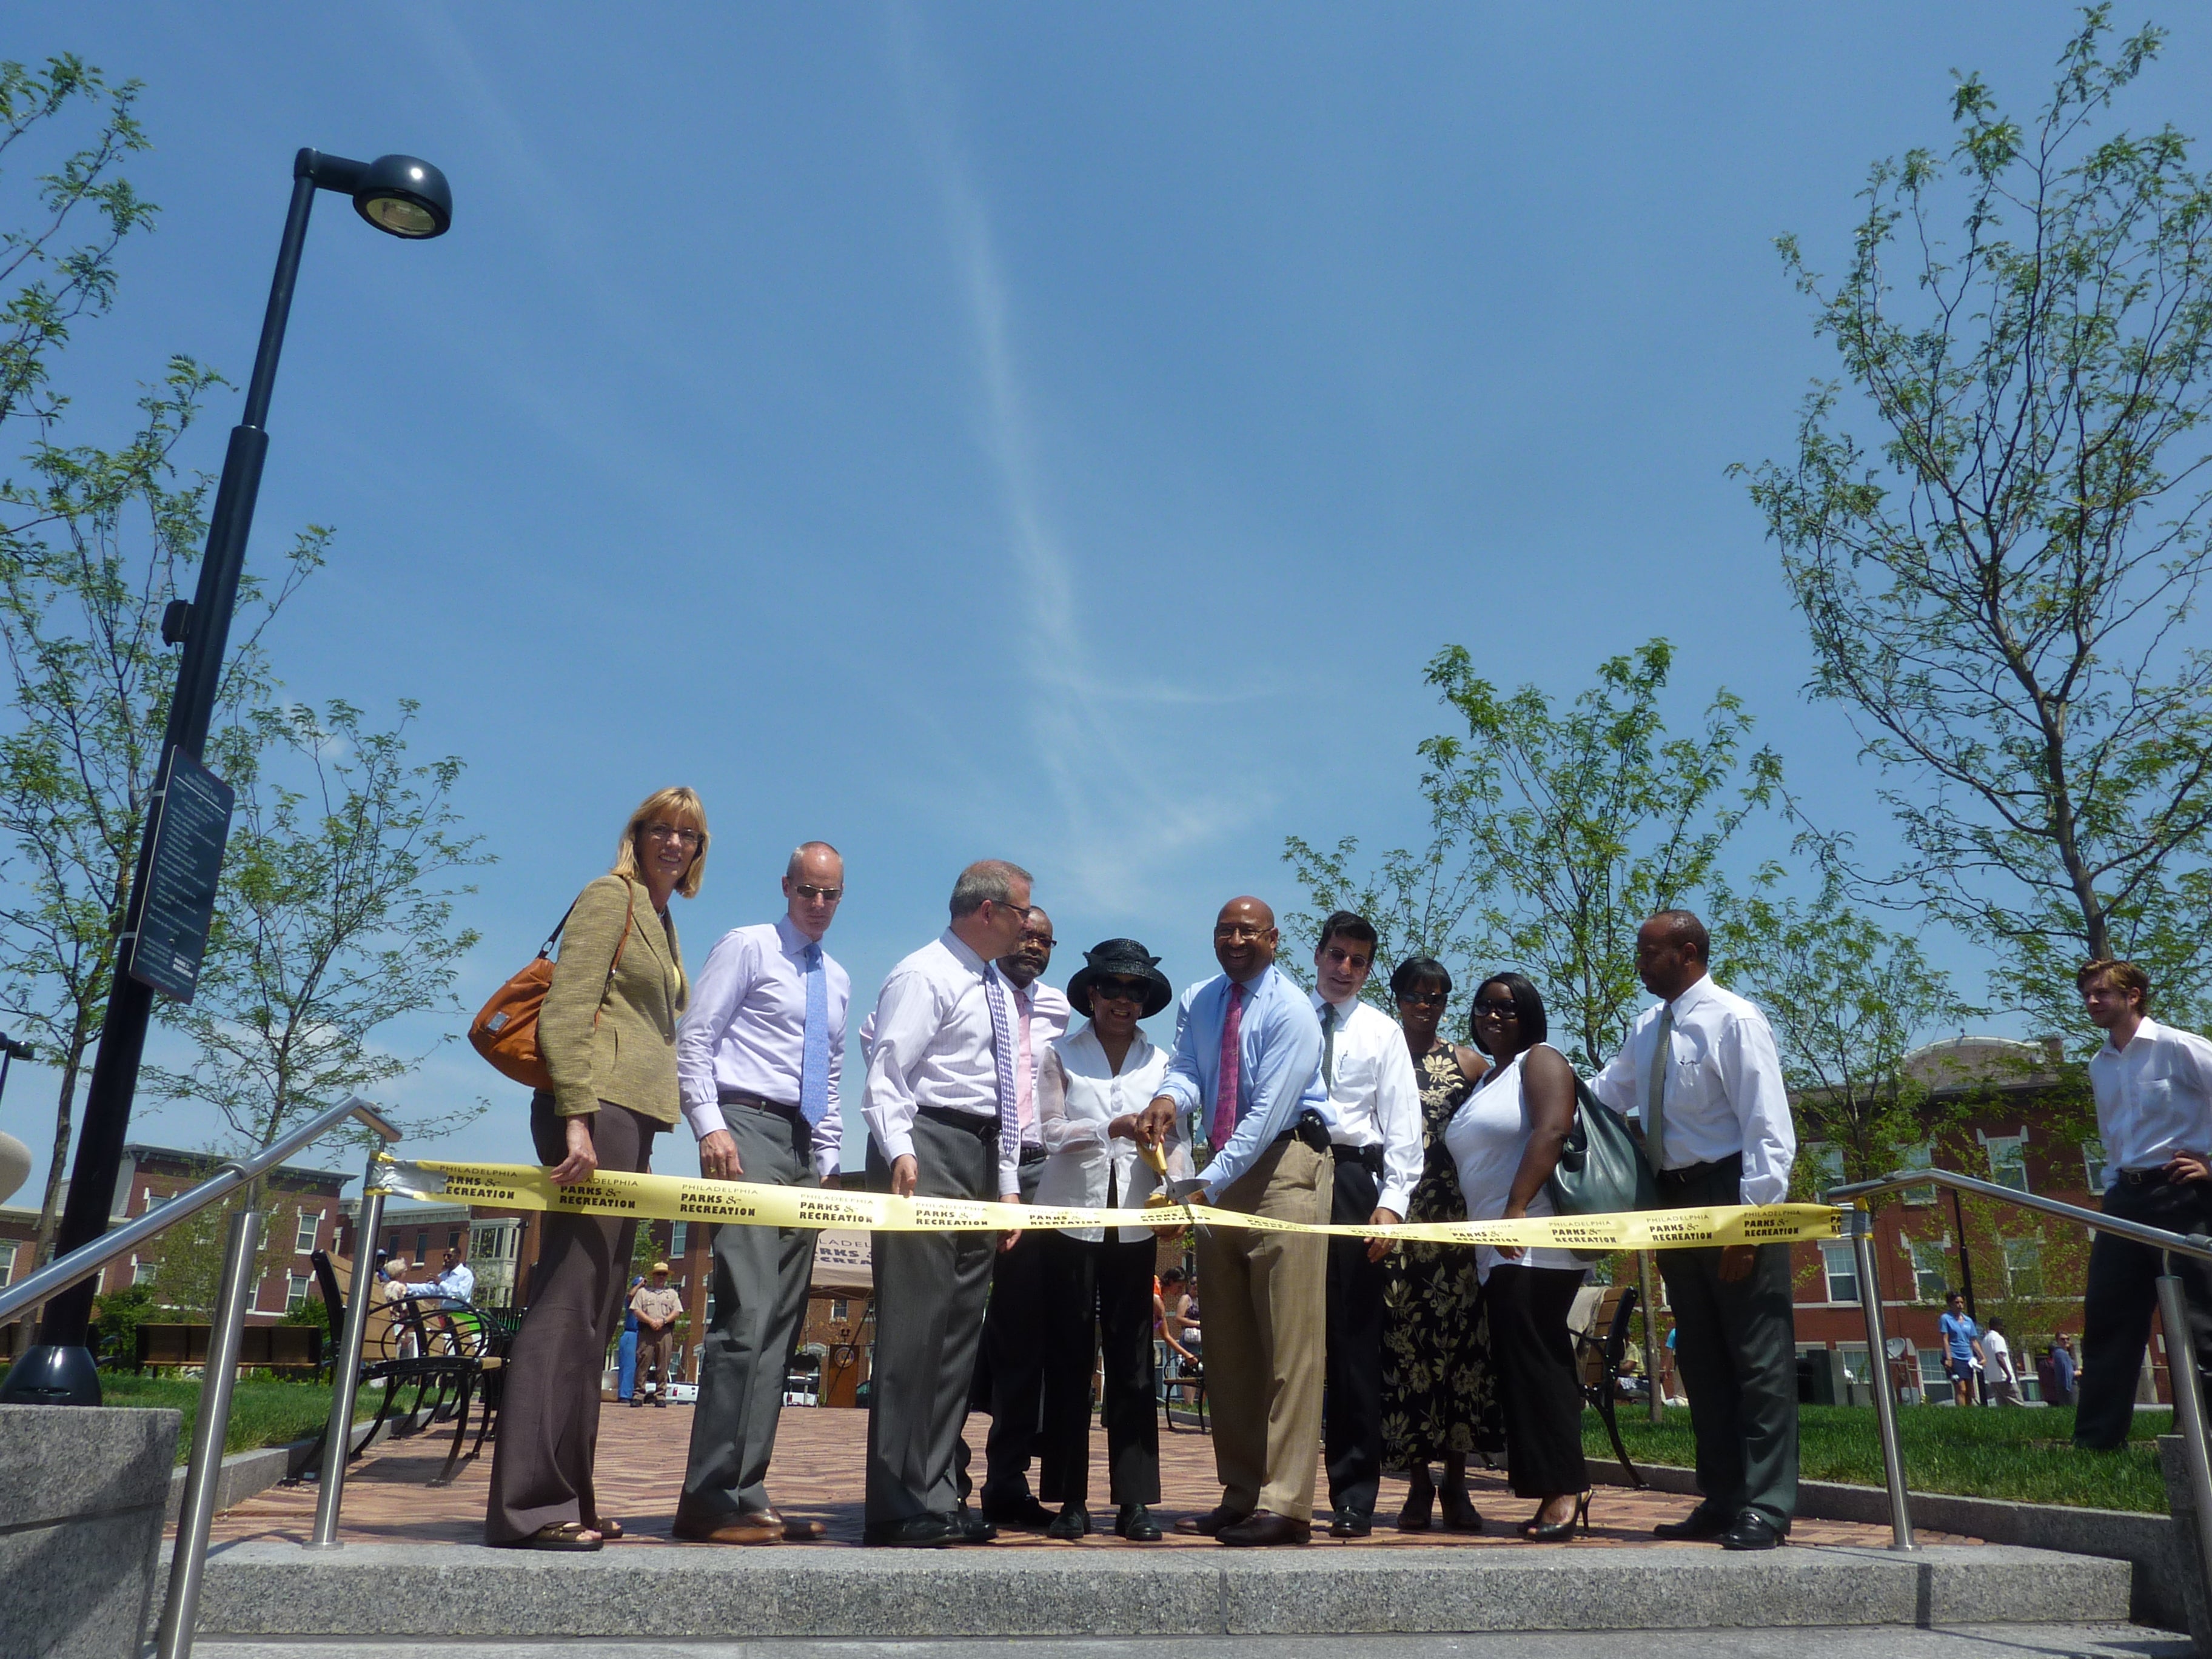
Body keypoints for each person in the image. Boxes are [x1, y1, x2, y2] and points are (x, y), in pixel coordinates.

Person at [485, 787, 702, 1550]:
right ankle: (527, 1509)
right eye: (661, 830)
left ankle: (569, 1498)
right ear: (635, 835)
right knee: (568, 1304)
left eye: (689, 835)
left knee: (601, 1313)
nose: (674, 843)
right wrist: (575, 1116)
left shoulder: (663, 917)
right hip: (594, 1111)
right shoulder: (609, 896)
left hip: (631, 1119)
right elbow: (566, 1009)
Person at [1592, 909, 1797, 1552]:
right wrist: (1531, 1093)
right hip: (1673, 1200)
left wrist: (1750, 1223)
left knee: (1758, 1361)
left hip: (1730, 1194)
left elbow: (1767, 1127)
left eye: (1648, 952)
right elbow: (1605, 1093)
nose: (1638, 964)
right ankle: (1722, 1497)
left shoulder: (1734, 1020)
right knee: (1702, 1359)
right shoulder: (1648, 1028)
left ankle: (1768, 1505)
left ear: (1687, 952)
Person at [670, 842, 851, 1544]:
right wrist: (709, 1126)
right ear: (786, 887)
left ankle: (747, 1490)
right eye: (807, 892)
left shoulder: (835, 976)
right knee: (745, 1316)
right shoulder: (748, 946)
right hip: (744, 1129)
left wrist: (829, 1157)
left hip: (805, 1146)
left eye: (831, 895)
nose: (818, 905)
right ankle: (707, 1495)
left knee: (781, 1324)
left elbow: (832, 1072)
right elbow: (697, 1037)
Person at [1138, 895, 1332, 1548]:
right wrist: (1168, 1098)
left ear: (1274, 939)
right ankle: (1241, 1493)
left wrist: (1203, 1184)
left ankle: (1288, 1505)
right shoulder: (1201, 998)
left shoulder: (1293, 1010)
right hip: (1220, 1174)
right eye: (1225, 929)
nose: (1236, 939)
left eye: (1249, 930)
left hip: (1284, 1169)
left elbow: (1267, 1115)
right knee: (1229, 1346)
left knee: (1289, 1347)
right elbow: (1191, 1070)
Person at [859, 859, 1036, 1548]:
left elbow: (1005, 1090)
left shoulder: (991, 984)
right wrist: (900, 1146)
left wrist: (1009, 1185)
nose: (1029, 925)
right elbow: (889, 1069)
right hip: (926, 1146)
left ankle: (936, 1489)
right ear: (987, 911)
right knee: (915, 1332)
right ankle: (896, 1501)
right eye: (1022, 912)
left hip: (980, 1154)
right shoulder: (925, 972)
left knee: (959, 1335)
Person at [1033, 937, 1184, 1541]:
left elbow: (1176, 1140)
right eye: (1112, 988)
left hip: (1134, 1221)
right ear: (1091, 994)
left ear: (1146, 1000)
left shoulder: (1165, 1064)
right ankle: (1070, 1497)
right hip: (1070, 1218)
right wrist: (1107, 1127)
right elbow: (1047, 1132)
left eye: (1135, 990)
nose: (1123, 1000)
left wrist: (1178, 1195)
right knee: (1070, 1358)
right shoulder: (1061, 1054)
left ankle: (1135, 1499)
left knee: (1133, 1361)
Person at [1453, 973, 1590, 1540]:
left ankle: (1565, 1491)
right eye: (1484, 1006)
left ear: (1529, 1014)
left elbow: (1553, 1128)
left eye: (1508, 1007)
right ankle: (1551, 1487)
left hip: (1534, 1239)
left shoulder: (1542, 1059)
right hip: (1499, 1250)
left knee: (1539, 1362)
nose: (1494, 1015)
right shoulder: (1493, 1076)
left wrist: (1515, 1206)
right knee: (1523, 1365)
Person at [1307, 913, 1423, 1538]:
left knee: (1354, 1347)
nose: (1344, 968)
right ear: (1318, 953)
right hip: (1288, 1177)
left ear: (1369, 968)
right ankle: (1279, 1489)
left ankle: (1354, 1494)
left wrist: (1392, 1204)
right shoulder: (1285, 1019)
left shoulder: (1382, 1033)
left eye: (1357, 960)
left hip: (1354, 1182)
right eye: (1336, 954)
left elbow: (1405, 1128)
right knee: (1289, 1342)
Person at [2074, 959, 2212, 1451]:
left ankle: (2197, 1440)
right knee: (2109, 1317)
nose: (2092, 1001)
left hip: (2182, 1194)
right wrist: (2113, 1187)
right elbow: (2113, 1136)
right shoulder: (2100, 1064)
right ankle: (2095, 1443)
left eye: (2102, 993)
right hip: (2124, 1199)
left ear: (2134, 996)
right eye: (2087, 994)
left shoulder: (2181, 1047)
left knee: (2199, 1324)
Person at [1379, 956, 1495, 1533]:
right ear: (1397, 997)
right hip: (1395, 1224)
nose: (1426, 1005)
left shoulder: (1469, 1063)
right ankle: (1417, 1485)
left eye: (1438, 997)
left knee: (1458, 1356)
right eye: (1416, 995)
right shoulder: (1378, 1052)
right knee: (1406, 1356)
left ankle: (1458, 1482)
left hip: (1453, 1228)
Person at [974, 908, 1072, 1529]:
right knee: (953, 1325)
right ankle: (939, 1471)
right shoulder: (964, 987)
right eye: (1024, 933)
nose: (1032, 945)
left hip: (1038, 1172)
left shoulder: (1061, 1009)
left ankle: (1007, 1481)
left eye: (1044, 939)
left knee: (1022, 1335)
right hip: (970, 1161)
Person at [630, 1262, 683, 1407]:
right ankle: (638, 1395)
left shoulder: (672, 1294)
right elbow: (636, 1310)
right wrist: (651, 1321)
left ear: (667, 1277)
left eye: (664, 1274)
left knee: (663, 1364)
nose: (661, 1277)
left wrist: (663, 1321)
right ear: (653, 1275)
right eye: (658, 1274)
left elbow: (677, 1311)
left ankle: (660, 1396)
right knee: (643, 1362)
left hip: (665, 1332)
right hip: (646, 1331)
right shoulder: (643, 1292)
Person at [1938, 1292, 1983, 1407]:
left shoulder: (1968, 1321)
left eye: (1962, 1302)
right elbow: (1945, 1339)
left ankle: (1969, 1414)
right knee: (1961, 1388)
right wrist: (1948, 1358)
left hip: (1967, 1358)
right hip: (1954, 1357)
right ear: (1950, 1304)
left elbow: (1973, 1340)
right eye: (1957, 1302)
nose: (1960, 1305)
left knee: (1969, 1390)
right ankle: (1961, 1413)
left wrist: (1982, 1357)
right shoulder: (1946, 1319)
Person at [394, 1245, 477, 1306]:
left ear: (458, 1257)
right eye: (444, 1256)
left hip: (461, 1314)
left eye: (449, 1256)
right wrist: (407, 1286)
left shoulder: (466, 1274)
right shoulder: (443, 1275)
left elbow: (461, 1295)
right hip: (444, 1314)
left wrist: (441, 1283)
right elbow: (429, 1289)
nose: (446, 1259)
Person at [1982, 1318, 2021, 1406]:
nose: (2003, 1328)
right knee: (2018, 1405)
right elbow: (1999, 1357)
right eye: (2002, 1326)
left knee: (2003, 1407)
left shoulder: (1985, 1340)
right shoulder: (1998, 1338)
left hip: (1993, 1379)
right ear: (1997, 1326)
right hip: (2004, 1378)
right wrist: (2008, 1374)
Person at [618, 1277, 643, 1403]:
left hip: (643, 1334)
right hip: (631, 1333)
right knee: (628, 1366)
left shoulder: (644, 1300)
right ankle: (625, 1395)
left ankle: (636, 1393)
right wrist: (639, 1285)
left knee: (641, 1367)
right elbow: (631, 1295)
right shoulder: (631, 1300)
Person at [2049, 1333, 2079, 1407]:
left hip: (2067, 1387)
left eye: (2067, 1339)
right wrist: (2080, 1372)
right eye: (2062, 1339)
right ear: (2057, 1341)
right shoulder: (2060, 1353)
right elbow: (2067, 1374)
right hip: (2069, 1387)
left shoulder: (2063, 1353)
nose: (2066, 1341)